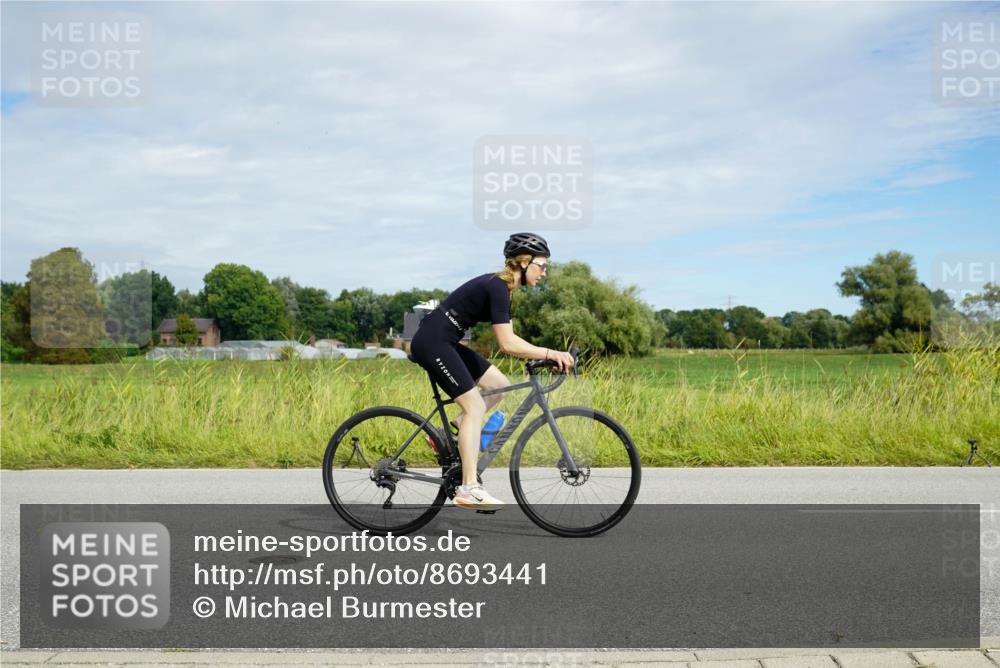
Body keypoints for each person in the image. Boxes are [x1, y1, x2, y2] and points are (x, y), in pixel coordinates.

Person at [409, 232, 575, 511]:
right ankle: (469, 488)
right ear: (524, 262)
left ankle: (450, 434)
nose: (545, 273)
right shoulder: (497, 286)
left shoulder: (504, 290)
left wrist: (544, 355)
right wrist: (551, 353)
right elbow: (507, 344)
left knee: (498, 385)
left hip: (444, 341)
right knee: (475, 406)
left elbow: (511, 340)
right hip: (433, 343)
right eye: (542, 266)